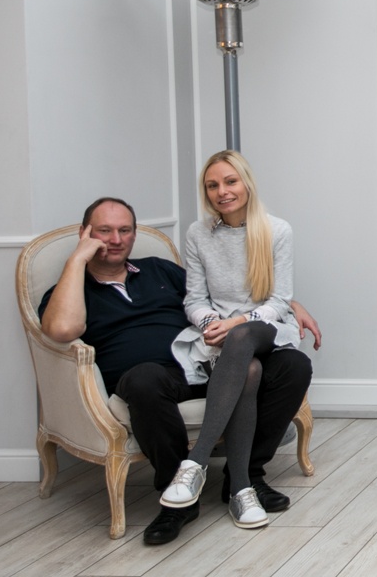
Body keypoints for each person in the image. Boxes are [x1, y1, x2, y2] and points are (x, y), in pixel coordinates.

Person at [37, 196, 319, 545]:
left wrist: (288, 303)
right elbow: (62, 329)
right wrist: (78, 259)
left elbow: (223, 296)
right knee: (143, 378)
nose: (116, 239)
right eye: (104, 231)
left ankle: (245, 478)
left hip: (204, 363)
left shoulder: (159, 270)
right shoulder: (69, 290)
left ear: (134, 234)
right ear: (85, 233)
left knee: (293, 365)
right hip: (153, 381)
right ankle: (178, 499)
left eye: (125, 230)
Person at [157, 150, 306, 531]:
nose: (222, 191)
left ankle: (196, 462)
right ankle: (241, 488)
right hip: (221, 335)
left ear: (246, 183)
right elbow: (194, 300)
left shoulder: (277, 230)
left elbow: (279, 301)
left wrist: (236, 322)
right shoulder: (198, 233)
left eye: (230, 181)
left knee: (244, 338)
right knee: (249, 370)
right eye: (212, 185)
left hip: (265, 327)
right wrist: (212, 323)